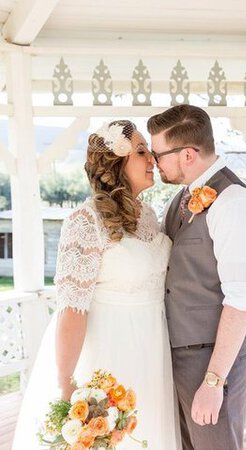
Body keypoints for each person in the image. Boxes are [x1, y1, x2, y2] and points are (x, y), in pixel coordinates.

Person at [12, 120, 180, 450]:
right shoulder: (85, 221)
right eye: (142, 151)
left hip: (153, 351)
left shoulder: (150, 216)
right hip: (108, 355)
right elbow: (72, 308)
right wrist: (66, 384)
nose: (153, 159)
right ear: (117, 162)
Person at [147, 105, 246, 450]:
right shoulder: (179, 200)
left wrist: (214, 382)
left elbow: (241, 301)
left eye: (158, 154)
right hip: (179, 357)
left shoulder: (234, 203)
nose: (155, 162)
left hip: (214, 361)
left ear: (187, 154)